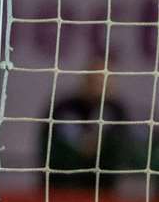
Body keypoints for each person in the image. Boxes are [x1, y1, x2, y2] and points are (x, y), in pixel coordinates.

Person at [39, 57, 139, 194]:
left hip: (104, 190)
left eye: (105, 82)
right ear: (85, 80)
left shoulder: (117, 111)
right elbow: (53, 144)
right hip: (63, 187)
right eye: (95, 81)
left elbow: (123, 146)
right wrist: (83, 144)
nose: (100, 86)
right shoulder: (64, 108)